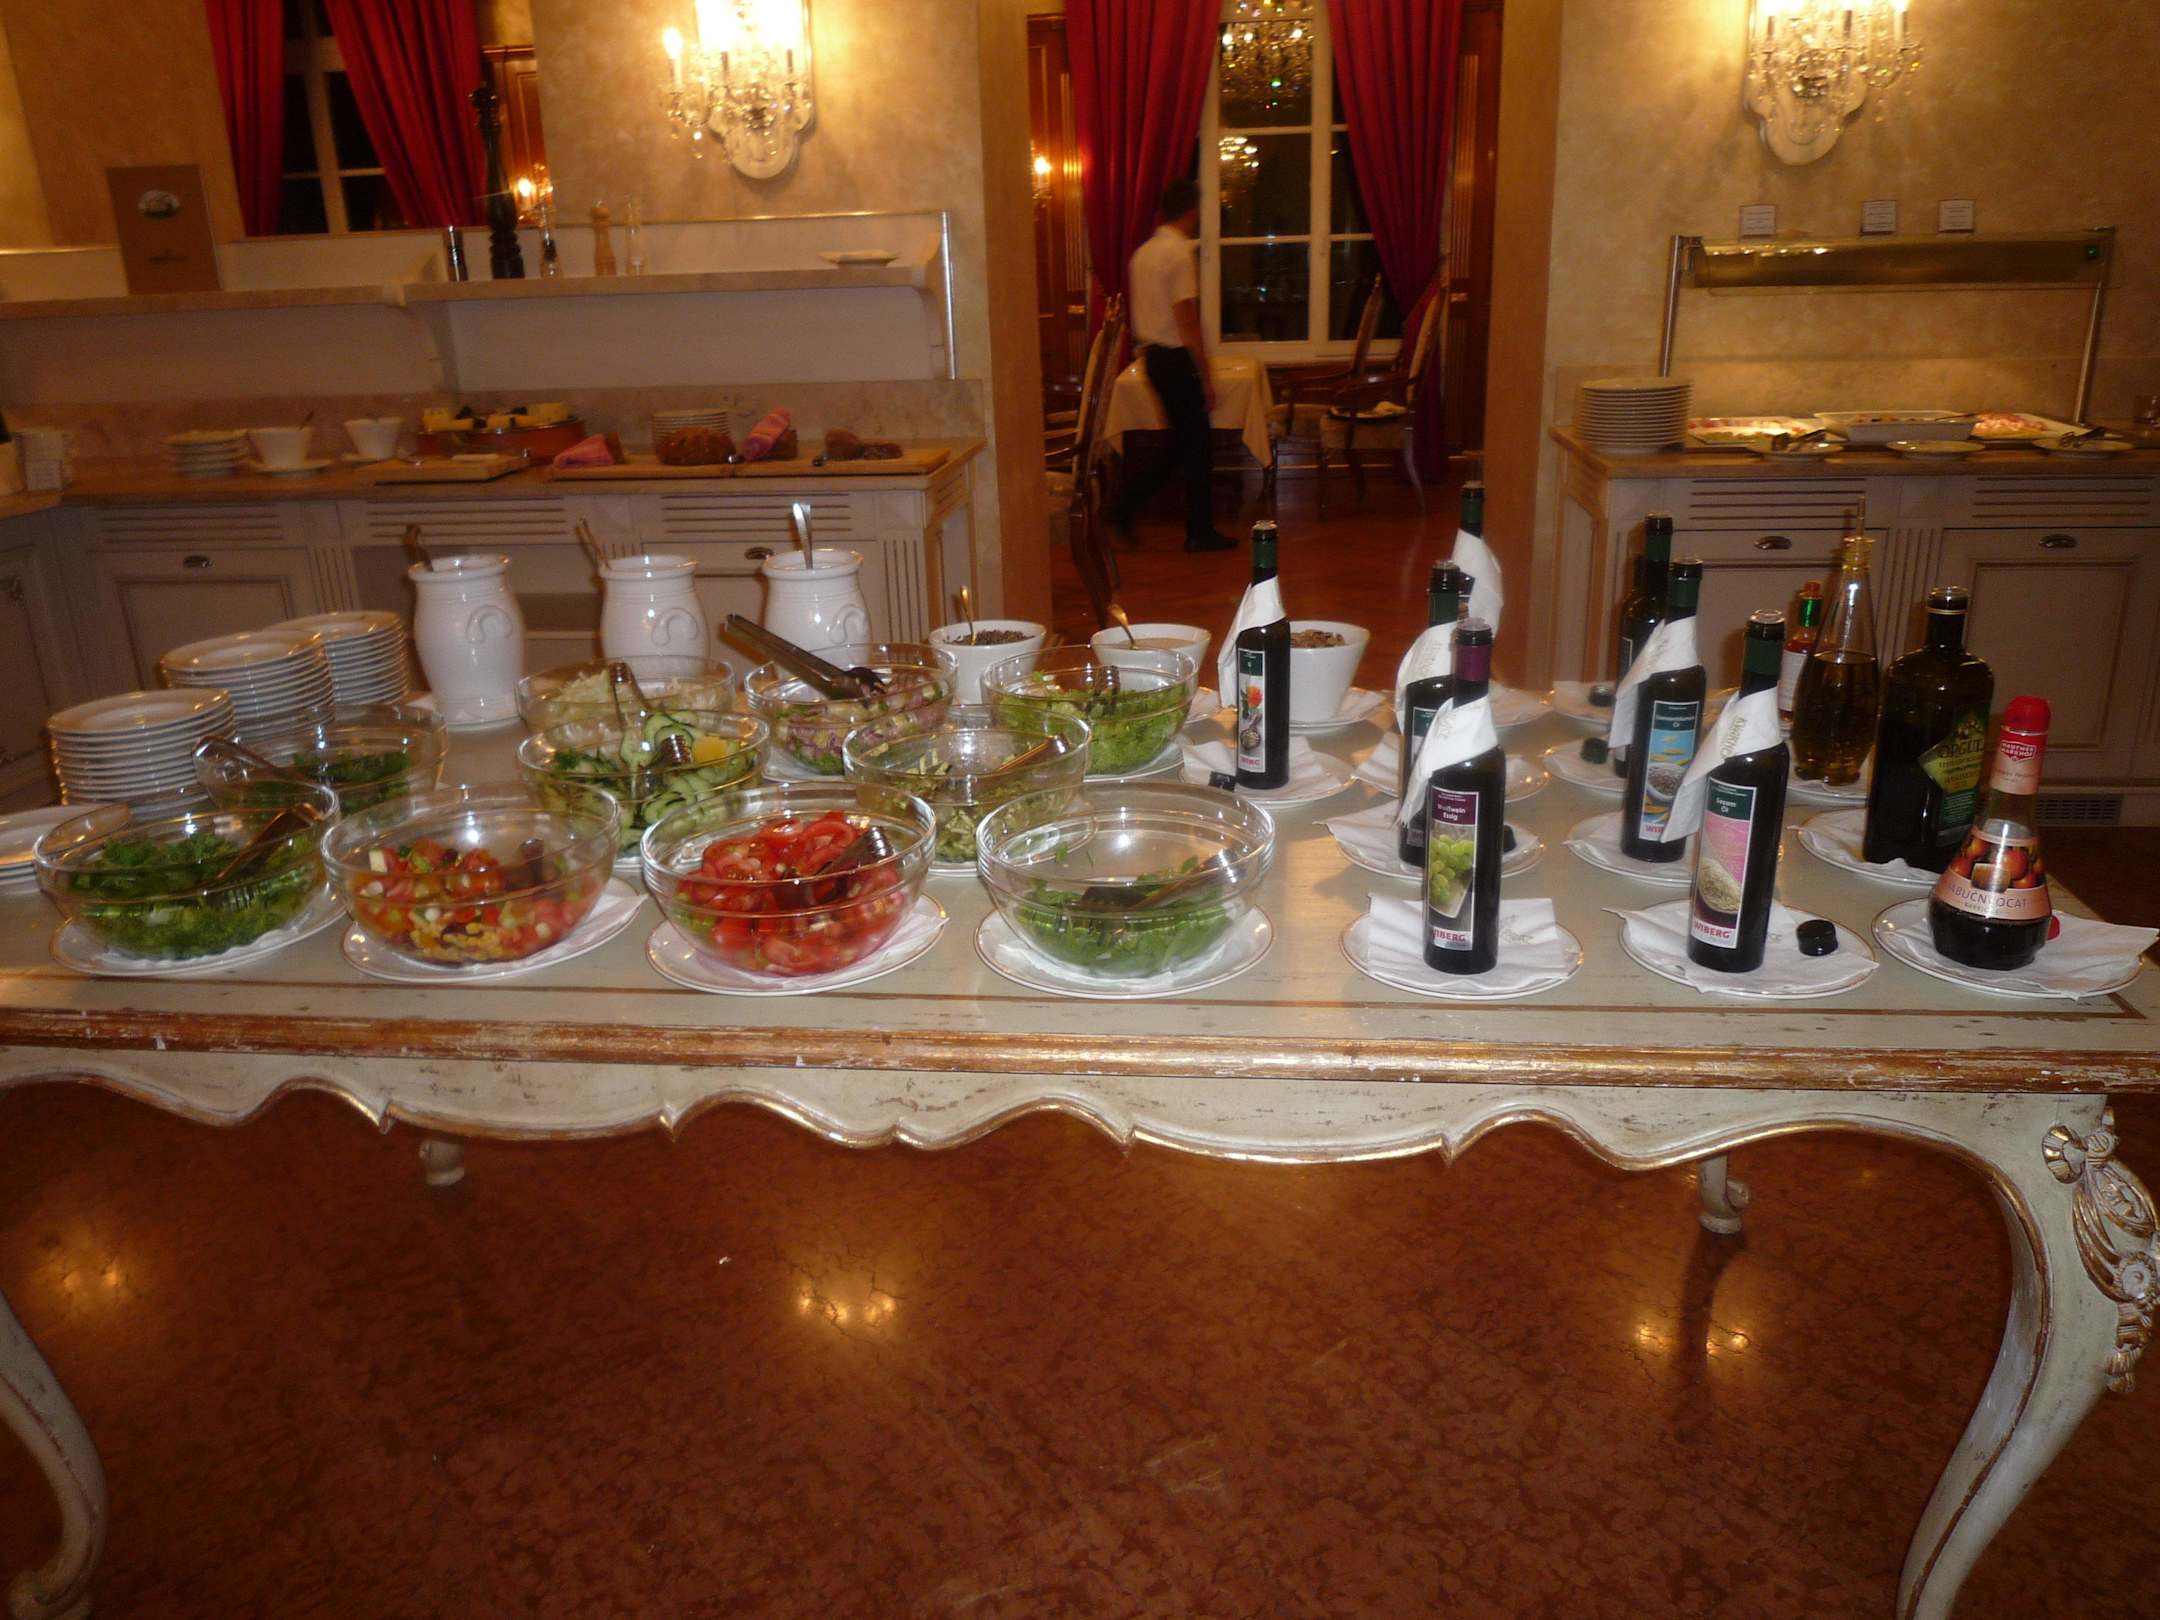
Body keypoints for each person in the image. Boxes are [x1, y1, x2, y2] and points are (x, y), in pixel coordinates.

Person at [1110, 177, 1237, 552]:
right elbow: (1186, 319)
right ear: (1192, 211)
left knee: (1181, 444)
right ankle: (1196, 530)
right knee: (1195, 445)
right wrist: (1206, 374)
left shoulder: (1142, 255)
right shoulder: (1178, 254)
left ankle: (1126, 509)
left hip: (1153, 358)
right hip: (1176, 359)